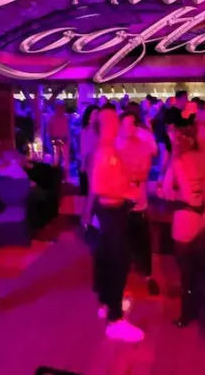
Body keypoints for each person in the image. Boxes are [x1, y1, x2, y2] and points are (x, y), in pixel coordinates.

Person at [90, 108, 144, 342]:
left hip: (111, 213)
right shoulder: (104, 151)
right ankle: (115, 320)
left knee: (108, 260)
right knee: (118, 264)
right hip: (112, 214)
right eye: (113, 121)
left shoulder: (108, 149)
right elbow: (98, 186)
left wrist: (126, 181)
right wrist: (128, 191)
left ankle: (107, 303)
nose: (118, 124)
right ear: (105, 125)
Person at [160, 121, 205, 327]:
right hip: (200, 218)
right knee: (198, 267)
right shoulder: (204, 158)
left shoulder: (178, 161)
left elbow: (166, 191)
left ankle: (186, 313)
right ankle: (199, 309)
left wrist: (172, 194)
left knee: (186, 271)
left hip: (183, 219)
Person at [117, 112, 160, 296]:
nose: (130, 128)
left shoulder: (143, 146)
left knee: (142, 241)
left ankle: (148, 275)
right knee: (121, 242)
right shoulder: (114, 146)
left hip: (139, 202)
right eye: (126, 124)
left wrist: (129, 176)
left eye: (132, 124)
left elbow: (144, 171)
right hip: (120, 202)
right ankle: (121, 277)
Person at [47, 102, 71, 180]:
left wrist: (66, 138)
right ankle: (56, 177)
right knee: (56, 159)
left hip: (64, 140)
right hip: (56, 140)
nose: (61, 110)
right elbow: (49, 131)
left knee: (65, 159)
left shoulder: (65, 118)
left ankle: (66, 177)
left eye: (62, 108)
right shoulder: (52, 119)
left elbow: (67, 130)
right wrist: (52, 139)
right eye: (59, 108)